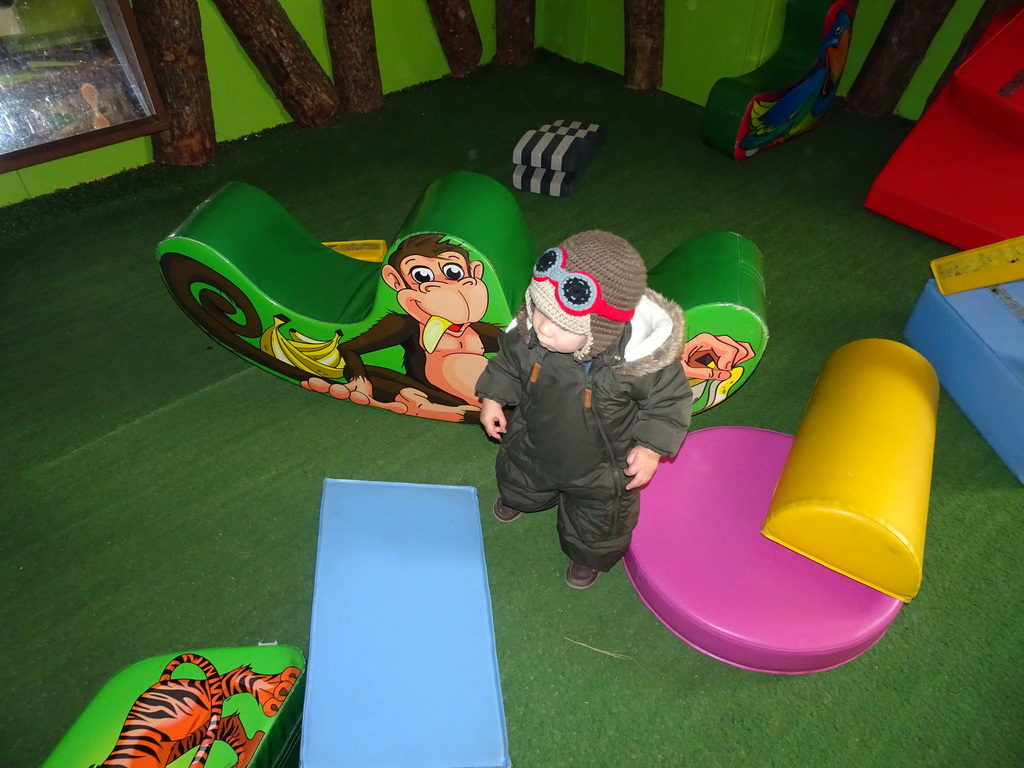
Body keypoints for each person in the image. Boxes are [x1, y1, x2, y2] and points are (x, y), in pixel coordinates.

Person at [476, 230, 693, 589]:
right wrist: (493, 397)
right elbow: (506, 365)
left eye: (561, 324)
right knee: (520, 476)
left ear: (601, 329)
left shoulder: (639, 363)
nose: (543, 328)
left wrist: (651, 447)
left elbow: (669, 401)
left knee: (600, 519)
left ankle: (586, 554)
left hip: (601, 466)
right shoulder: (530, 334)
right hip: (534, 440)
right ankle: (520, 499)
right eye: (540, 309)